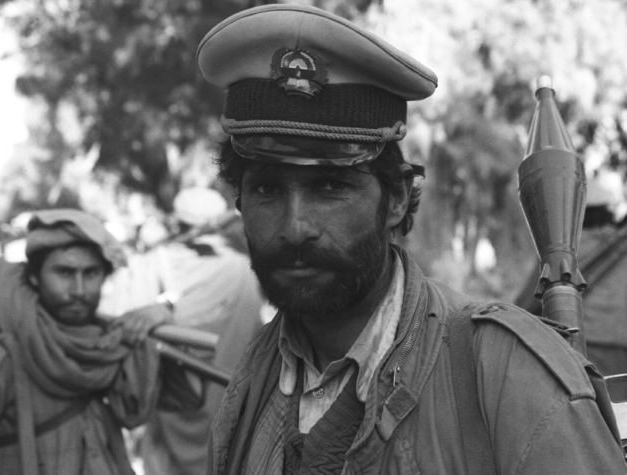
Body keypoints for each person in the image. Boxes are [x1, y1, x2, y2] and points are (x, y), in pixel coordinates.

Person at [196, 4, 627, 474]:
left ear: (397, 199)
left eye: (331, 187)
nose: (296, 226)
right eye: (267, 189)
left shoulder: (505, 377)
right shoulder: (255, 377)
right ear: (238, 200)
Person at [0, 208, 198, 475]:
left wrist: (163, 318)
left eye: (90, 274)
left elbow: (189, 400)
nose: (78, 290)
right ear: (35, 278)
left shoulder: (107, 347)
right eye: (64, 273)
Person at [100, 187, 266, 475]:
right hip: (232, 415)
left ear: (177, 222)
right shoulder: (246, 271)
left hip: (171, 412)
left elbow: (112, 325)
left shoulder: (152, 263)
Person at [516, 168, 627, 376]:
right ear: (608, 211)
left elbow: (524, 306)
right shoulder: (621, 248)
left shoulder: (557, 248)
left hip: (573, 347)